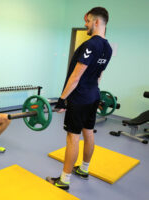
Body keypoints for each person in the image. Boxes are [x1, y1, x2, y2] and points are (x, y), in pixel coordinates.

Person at [46, 7, 113, 190]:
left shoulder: (91, 45)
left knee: (72, 137)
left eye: (88, 21)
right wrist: (94, 92)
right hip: (93, 95)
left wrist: (62, 99)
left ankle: (64, 180)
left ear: (97, 22)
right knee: (88, 131)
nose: (86, 25)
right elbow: (99, 75)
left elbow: (76, 76)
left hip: (80, 97)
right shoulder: (108, 48)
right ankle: (84, 169)